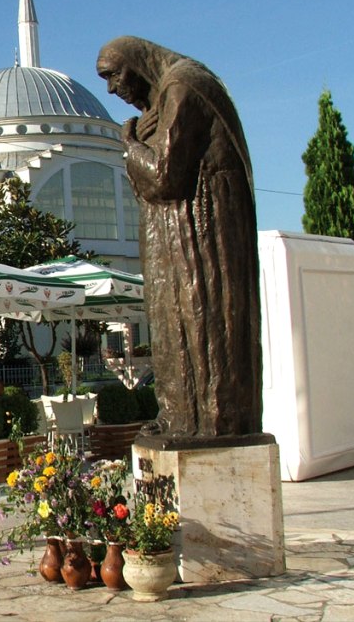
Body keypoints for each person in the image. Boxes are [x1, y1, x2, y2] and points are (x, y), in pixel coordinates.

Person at [96, 36, 262, 438]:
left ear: (136, 63)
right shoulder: (166, 97)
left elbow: (164, 175)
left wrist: (130, 144)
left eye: (114, 75)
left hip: (200, 232)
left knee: (201, 318)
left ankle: (209, 421)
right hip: (174, 231)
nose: (112, 89)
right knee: (171, 319)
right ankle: (180, 417)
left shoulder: (183, 87)